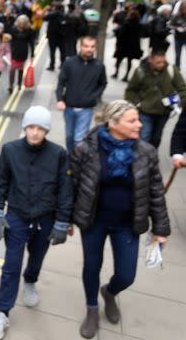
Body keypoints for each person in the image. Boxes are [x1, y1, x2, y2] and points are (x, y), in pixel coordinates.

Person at [70, 100, 170, 338]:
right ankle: (92, 309)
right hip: (94, 221)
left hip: (127, 224)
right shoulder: (86, 149)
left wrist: (160, 228)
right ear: (113, 123)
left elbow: (156, 191)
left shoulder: (146, 152)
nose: (139, 124)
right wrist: (66, 219)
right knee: (92, 266)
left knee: (126, 275)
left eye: (138, 120)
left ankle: (110, 292)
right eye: (132, 120)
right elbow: (71, 186)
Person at [0, 107, 73, 340]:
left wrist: (63, 222)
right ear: (25, 127)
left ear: (46, 130)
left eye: (40, 128)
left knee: (36, 256)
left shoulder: (58, 154)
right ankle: (2, 312)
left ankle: (31, 280)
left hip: (46, 218)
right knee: (11, 265)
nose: (35, 133)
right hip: (17, 217)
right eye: (31, 127)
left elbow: (65, 191)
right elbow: (2, 182)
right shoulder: (10, 150)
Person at [124, 46, 186, 148]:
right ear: (150, 60)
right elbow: (131, 90)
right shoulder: (140, 71)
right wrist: (136, 105)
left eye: (163, 62)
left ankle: (151, 157)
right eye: (158, 62)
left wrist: (176, 101)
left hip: (164, 112)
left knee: (157, 138)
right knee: (144, 136)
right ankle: (142, 159)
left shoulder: (171, 70)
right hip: (145, 112)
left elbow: (183, 90)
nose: (161, 65)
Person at [56, 36, 107, 152]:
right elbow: (61, 82)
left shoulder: (99, 66)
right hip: (68, 107)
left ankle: (76, 162)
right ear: (81, 46)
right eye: (86, 46)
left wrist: (93, 96)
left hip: (86, 109)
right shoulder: (69, 62)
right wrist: (59, 99)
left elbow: (103, 83)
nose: (89, 49)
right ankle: (71, 158)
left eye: (92, 46)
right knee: (69, 136)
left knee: (79, 138)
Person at [113, 8, 143, 81]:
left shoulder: (126, 23)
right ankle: (126, 75)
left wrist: (118, 43)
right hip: (133, 45)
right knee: (129, 61)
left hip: (124, 44)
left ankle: (116, 72)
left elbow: (121, 34)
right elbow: (141, 35)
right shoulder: (139, 25)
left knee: (119, 59)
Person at [8, 15, 34, 93]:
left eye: (23, 23)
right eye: (20, 23)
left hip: (23, 52)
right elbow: (11, 38)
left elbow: (31, 43)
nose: (22, 24)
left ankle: (19, 84)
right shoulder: (13, 29)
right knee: (12, 69)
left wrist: (32, 54)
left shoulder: (29, 30)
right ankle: (11, 85)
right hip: (14, 52)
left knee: (21, 69)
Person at [45, 3, 66, 70]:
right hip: (61, 35)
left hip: (52, 36)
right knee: (62, 51)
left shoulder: (52, 14)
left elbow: (45, 18)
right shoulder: (64, 15)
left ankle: (52, 65)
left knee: (52, 51)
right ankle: (62, 64)